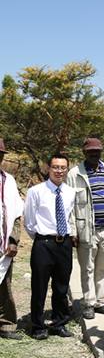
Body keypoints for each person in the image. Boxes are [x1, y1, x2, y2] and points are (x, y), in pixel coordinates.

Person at [66, 138, 104, 320]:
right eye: (91, 151)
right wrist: (73, 231)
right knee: (87, 267)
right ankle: (88, 303)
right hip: (85, 229)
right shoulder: (75, 174)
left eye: (97, 151)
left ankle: (102, 302)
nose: (94, 154)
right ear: (84, 152)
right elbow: (70, 205)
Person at [24, 154, 76, 340]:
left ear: (67, 169)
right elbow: (29, 222)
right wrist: (41, 238)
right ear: (48, 168)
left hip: (64, 244)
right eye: (55, 167)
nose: (59, 171)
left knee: (61, 285)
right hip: (43, 243)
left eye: (63, 167)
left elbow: (70, 217)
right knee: (39, 286)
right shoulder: (36, 191)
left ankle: (59, 323)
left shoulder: (70, 192)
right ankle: (38, 326)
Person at [0, 139, 25, 340]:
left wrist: (14, 240)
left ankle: (7, 325)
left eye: (1, 154)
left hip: (3, 245)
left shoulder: (9, 180)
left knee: (4, 286)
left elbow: (16, 214)